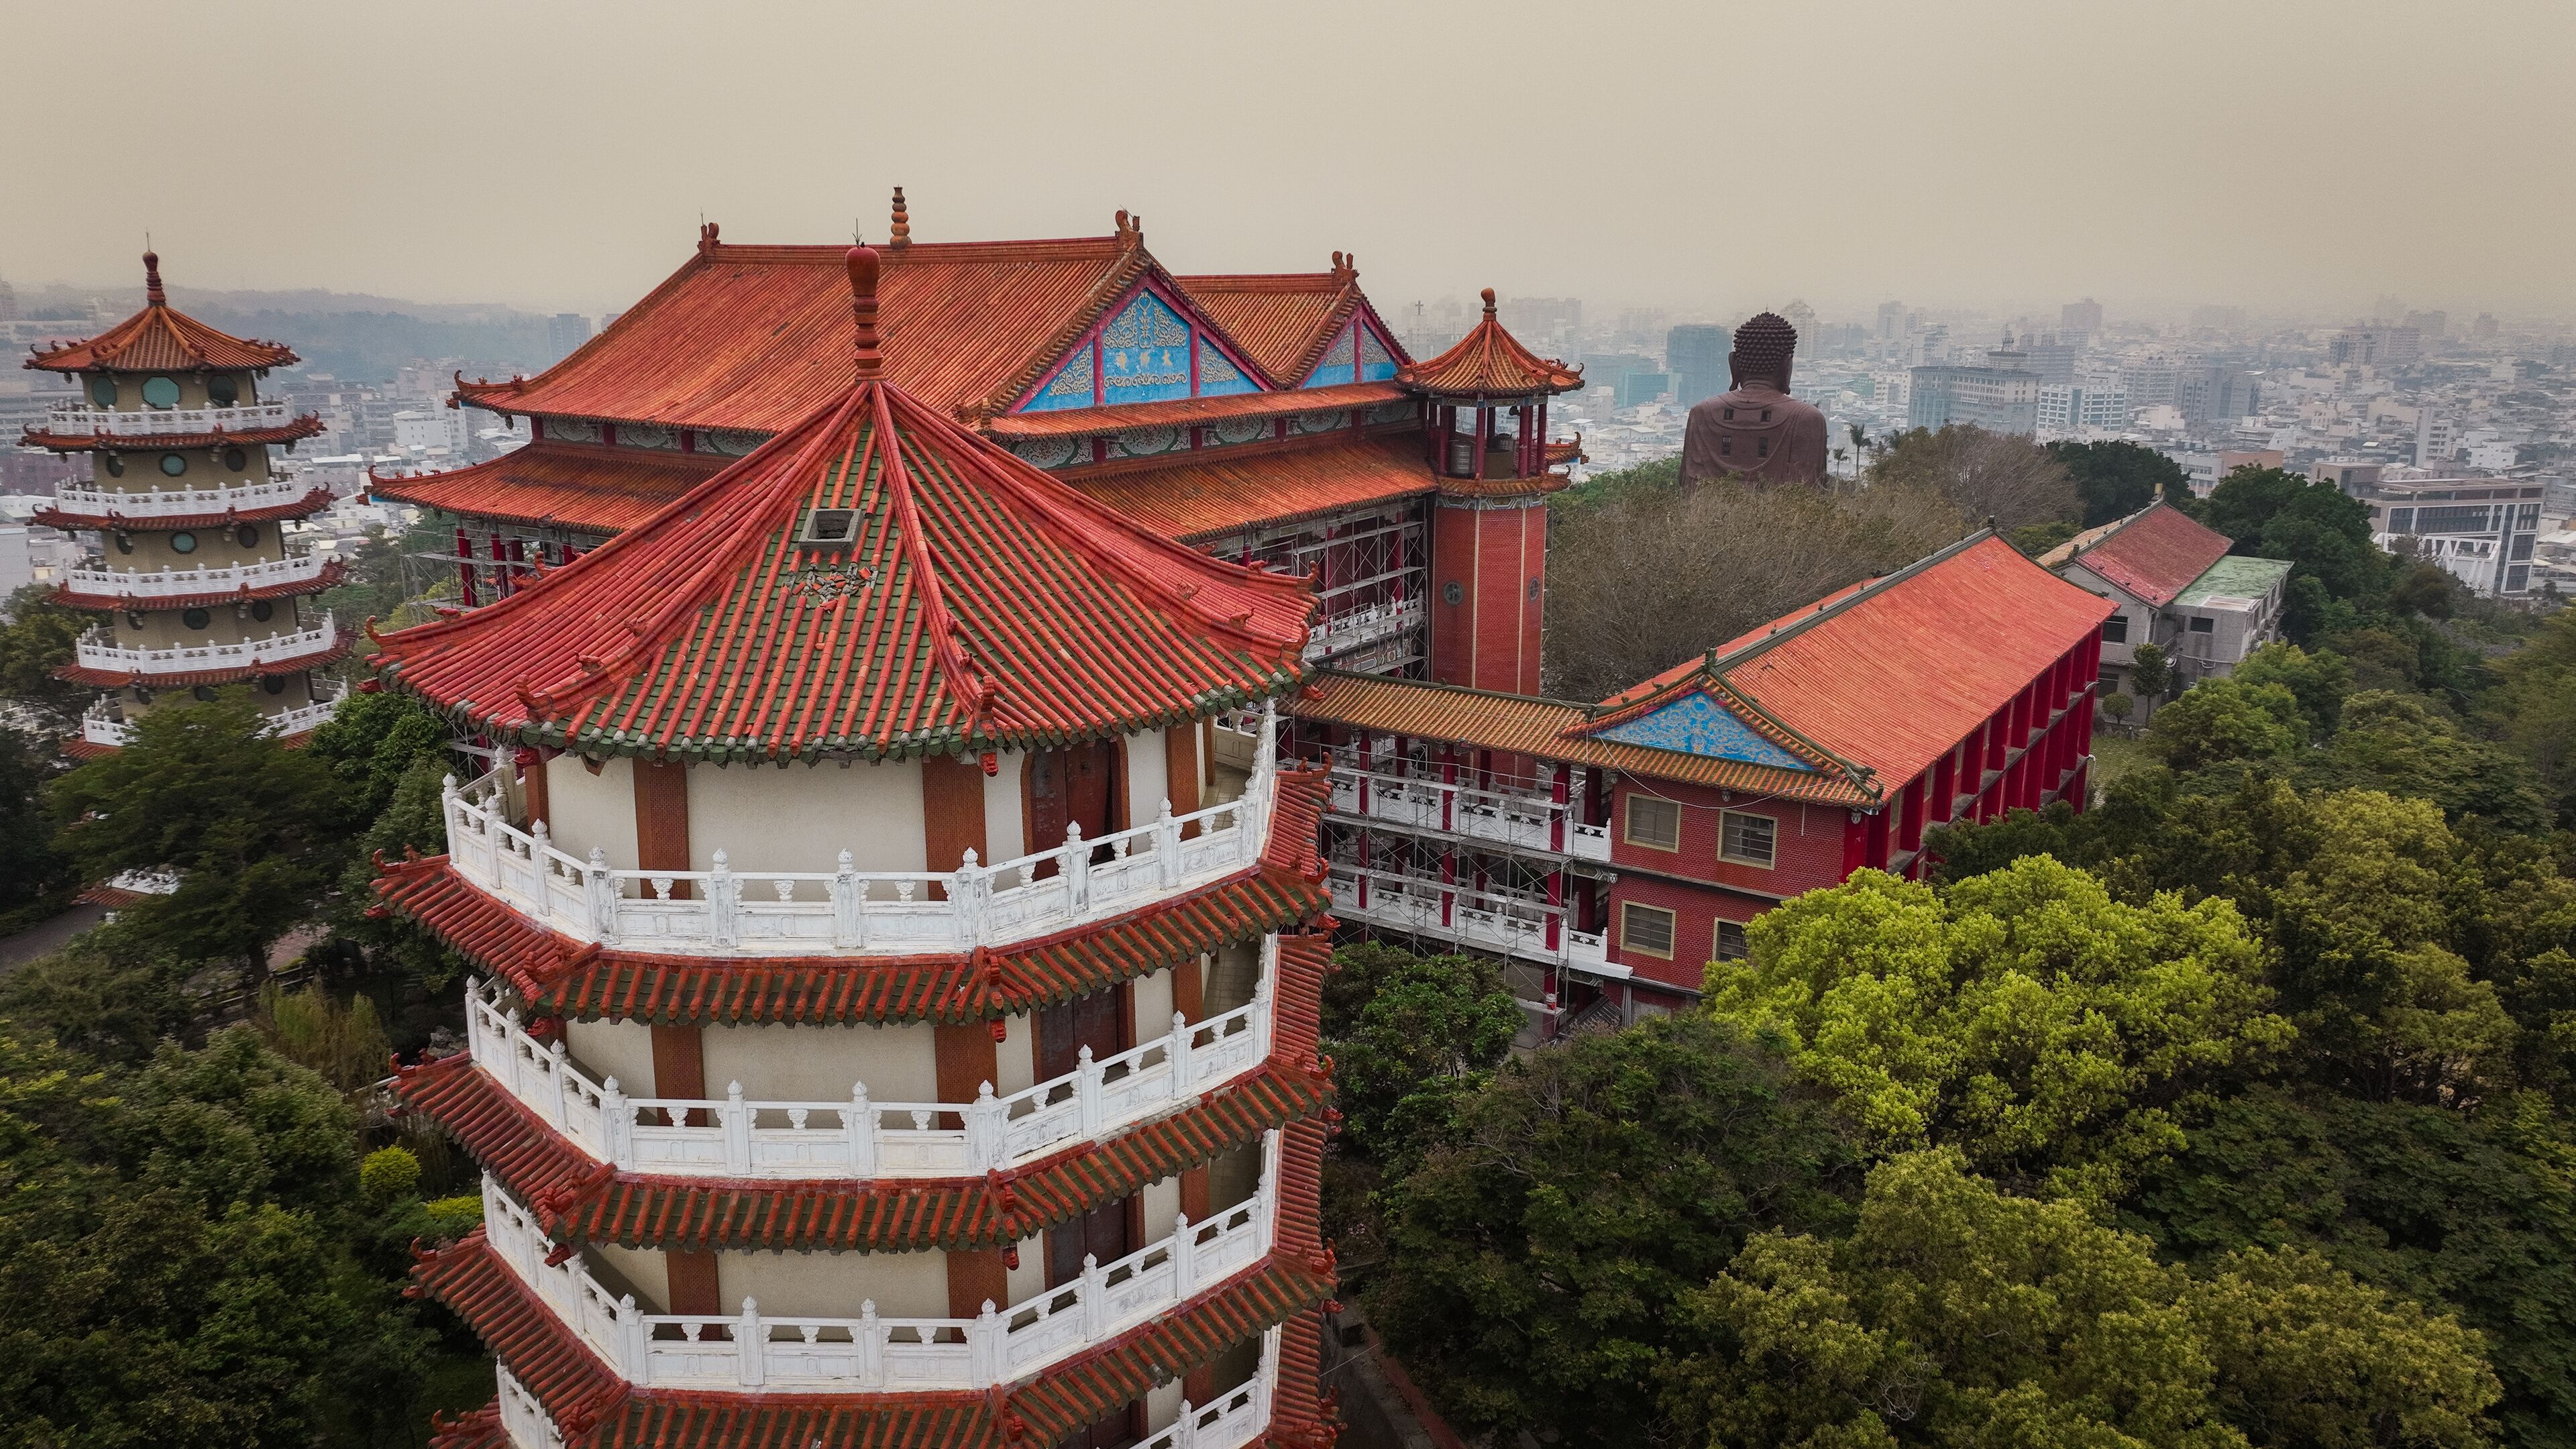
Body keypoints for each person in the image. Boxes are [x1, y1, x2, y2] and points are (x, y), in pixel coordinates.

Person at [1678, 312, 1829, 485]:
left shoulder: (1702, 414)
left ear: (1733, 364)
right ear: (1787, 365)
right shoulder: (1806, 419)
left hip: (1706, 504)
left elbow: (1687, 488)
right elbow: (1809, 492)